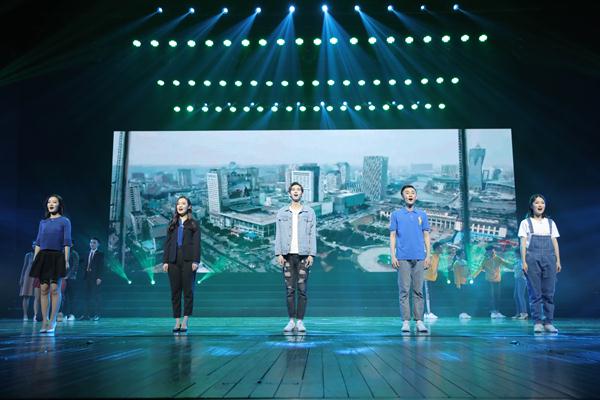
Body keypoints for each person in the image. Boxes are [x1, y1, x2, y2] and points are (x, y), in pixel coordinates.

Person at [274, 182, 317, 333]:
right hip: (287, 256)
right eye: (293, 189)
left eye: (298, 189)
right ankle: (291, 321)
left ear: (302, 193)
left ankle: (300, 321)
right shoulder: (282, 212)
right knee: (290, 290)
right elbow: (278, 233)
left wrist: (311, 254)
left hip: (304, 256)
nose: (296, 192)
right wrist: (278, 253)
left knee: (302, 290)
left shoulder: (309, 212)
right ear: (289, 193)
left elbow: (312, 233)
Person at [389, 185, 431, 333]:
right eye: (407, 193)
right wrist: (393, 255)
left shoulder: (422, 215)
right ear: (403, 197)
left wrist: (428, 255)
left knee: (418, 290)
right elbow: (392, 236)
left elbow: (426, 235)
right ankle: (406, 321)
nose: (410, 195)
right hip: (402, 257)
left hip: (419, 257)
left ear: (416, 196)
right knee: (404, 290)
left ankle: (419, 321)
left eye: (413, 192)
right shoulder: (396, 215)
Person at [518, 194, 562, 334]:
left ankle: (548, 322)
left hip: (549, 258)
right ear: (532, 205)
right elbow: (523, 243)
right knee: (535, 293)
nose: (540, 205)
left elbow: (555, 242)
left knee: (549, 292)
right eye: (537, 202)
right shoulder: (525, 223)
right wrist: (524, 261)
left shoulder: (550, 223)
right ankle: (537, 322)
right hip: (532, 258)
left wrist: (558, 260)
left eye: (542, 202)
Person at [29, 194, 72, 334]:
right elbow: (38, 242)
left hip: (57, 257)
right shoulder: (43, 222)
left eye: (54, 202)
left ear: (60, 205)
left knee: (55, 289)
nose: (51, 204)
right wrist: (35, 259)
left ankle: (53, 321)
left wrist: (66, 260)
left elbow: (67, 242)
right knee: (43, 289)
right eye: (49, 202)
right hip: (43, 257)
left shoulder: (65, 221)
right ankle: (45, 321)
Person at [162, 196, 200, 333]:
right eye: (178, 203)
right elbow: (167, 243)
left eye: (183, 203)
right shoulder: (172, 223)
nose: (180, 206)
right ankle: (177, 321)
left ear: (189, 207)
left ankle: (185, 321)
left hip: (188, 261)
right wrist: (165, 261)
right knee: (175, 292)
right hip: (173, 260)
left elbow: (197, 244)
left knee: (188, 292)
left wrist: (196, 261)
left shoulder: (194, 224)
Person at [473, 246, 512, 318]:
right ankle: (493, 312)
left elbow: (506, 264)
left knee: (497, 296)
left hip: (497, 280)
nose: (492, 252)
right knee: (491, 296)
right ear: (487, 252)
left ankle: (497, 311)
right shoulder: (485, 260)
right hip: (489, 280)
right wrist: (474, 275)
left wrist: (516, 266)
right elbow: (480, 268)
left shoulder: (497, 258)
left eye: (493, 250)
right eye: (490, 251)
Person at [79, 238, 104, 321]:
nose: (92, 244)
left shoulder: (100, 254)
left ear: (98, 244)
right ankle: (86, 314)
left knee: (96, 296)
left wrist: (99, 277)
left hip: (95, 277)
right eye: (91, 242)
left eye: (94, 243)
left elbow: (101, 266)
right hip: (87, 277)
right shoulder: (86, 253)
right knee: (86, 297)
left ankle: (97, 314)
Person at [450, 248, 473, 319]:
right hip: (460, 283)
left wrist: (470, 277)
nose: (464, 255)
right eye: (462, 254)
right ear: (459, 255)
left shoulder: (465, 262)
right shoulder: (456, 263)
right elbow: (456, 275)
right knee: (461, 299)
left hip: (466, 283)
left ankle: (465, 312)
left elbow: (469, 271)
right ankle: (461, 313)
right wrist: (458, 284)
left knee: (465, 298)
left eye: (464, 253)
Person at [60, 241, 79, 321]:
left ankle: (72, 314)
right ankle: (64, 314)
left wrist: (68, 276)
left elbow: (75, 266)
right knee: (64, 297)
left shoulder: (74, 253)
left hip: (71, 278)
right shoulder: (62, 252)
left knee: (72, 297)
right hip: (63, 278)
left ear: (72, 245)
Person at [18, 242, 37, 321]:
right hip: (28, 276)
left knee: (37, 296)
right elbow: (24, 267)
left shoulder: (41, 254)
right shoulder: (28, 255)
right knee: (26, 296)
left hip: (36, 276)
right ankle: (25, 315)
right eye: (33, 244)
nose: (34, 246)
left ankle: (35, 315)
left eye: (36, 244)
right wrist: (21, 278)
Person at [423, 242, 441, 320]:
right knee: (427, 296)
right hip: (427, 279)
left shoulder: (438, 257)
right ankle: (427, 313)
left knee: (431, 297)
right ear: (436, 249)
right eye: (440, 248)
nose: (442, 249)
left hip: (433, 279)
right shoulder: (430, 256)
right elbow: (425, 266)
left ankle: (429, 312)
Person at [511, 247, 528, 320]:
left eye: (515, 253)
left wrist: (522, 276)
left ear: (518, 254)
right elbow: (512, 267)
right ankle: (518, 313)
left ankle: (524, 313)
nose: (514, 254)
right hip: (517, 279)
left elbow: (524, 270)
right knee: (516, 296)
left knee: (520, 296)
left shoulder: (523, 261)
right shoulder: (517, 261)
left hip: (522, 279)